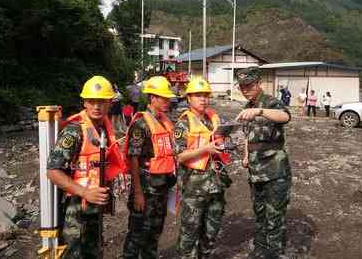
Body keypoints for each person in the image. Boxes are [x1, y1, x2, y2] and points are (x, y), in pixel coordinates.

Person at [46, 76, 126, 259]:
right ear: (84, 102)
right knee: (75, 253)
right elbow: (52, 171)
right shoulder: (74, 131)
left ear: (110, 103)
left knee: (94, 251)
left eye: (102, 102)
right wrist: (84, 192)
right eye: (91, 101)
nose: (96, 106)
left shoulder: (103, 128)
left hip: (94, 207)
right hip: (76, 210)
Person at [235, 67, 292, 259]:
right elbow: (247, 137)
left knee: (274, 216)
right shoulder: (246, 108)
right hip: (255, 171)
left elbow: (285, 117)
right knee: (259, 214)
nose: (245, 89)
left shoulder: (270, 103)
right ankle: (260, 249)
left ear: (259, 84)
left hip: (275, 172)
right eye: (242, 86)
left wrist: (260, 111)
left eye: (248, 85)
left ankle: (274, 253)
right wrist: (245, 156)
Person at [174, 77, 232, 259]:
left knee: (211, 232)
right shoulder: (183, 123)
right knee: (189, 235)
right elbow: (180, 156)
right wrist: (206, 148)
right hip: (194, 188)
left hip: (216, 185)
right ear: (189, 98)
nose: (203, 99)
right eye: (198, 95)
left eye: (205, 95)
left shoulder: (213, 119)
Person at [122, 76, 178, 259]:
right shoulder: (141, 124)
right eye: (164, 97)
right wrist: (137, 192)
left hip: (162, 186)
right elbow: (133, 159)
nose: (168, 101)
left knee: (154, 231)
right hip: (146, 188)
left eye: (168, 97)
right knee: (137, 233)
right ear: (152, 98)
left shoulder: (164, 121)